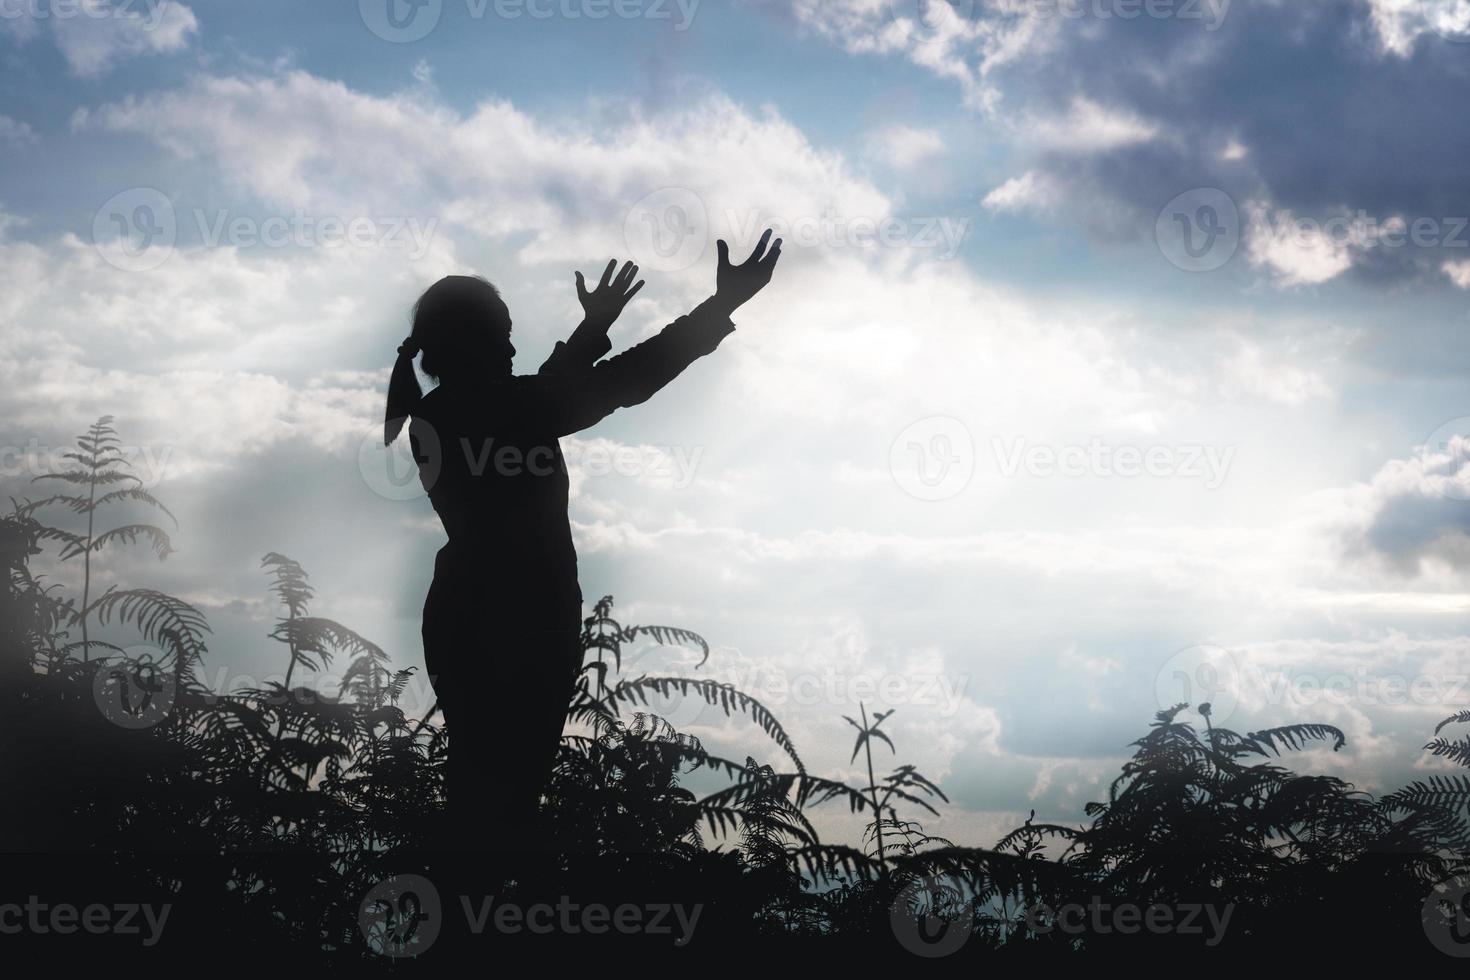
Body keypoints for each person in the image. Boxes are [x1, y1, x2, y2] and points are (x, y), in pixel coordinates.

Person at [383, 230, 783, 848]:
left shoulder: (446, 413)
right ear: (477, 342)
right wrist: (716, 308)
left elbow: (548, 394)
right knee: (503, 807)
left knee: (486, 798)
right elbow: (610, 384)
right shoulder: (482, 411)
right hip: (516, 624)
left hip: (482, 616)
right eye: (504, 331)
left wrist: (595, 326)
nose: (514, 343)